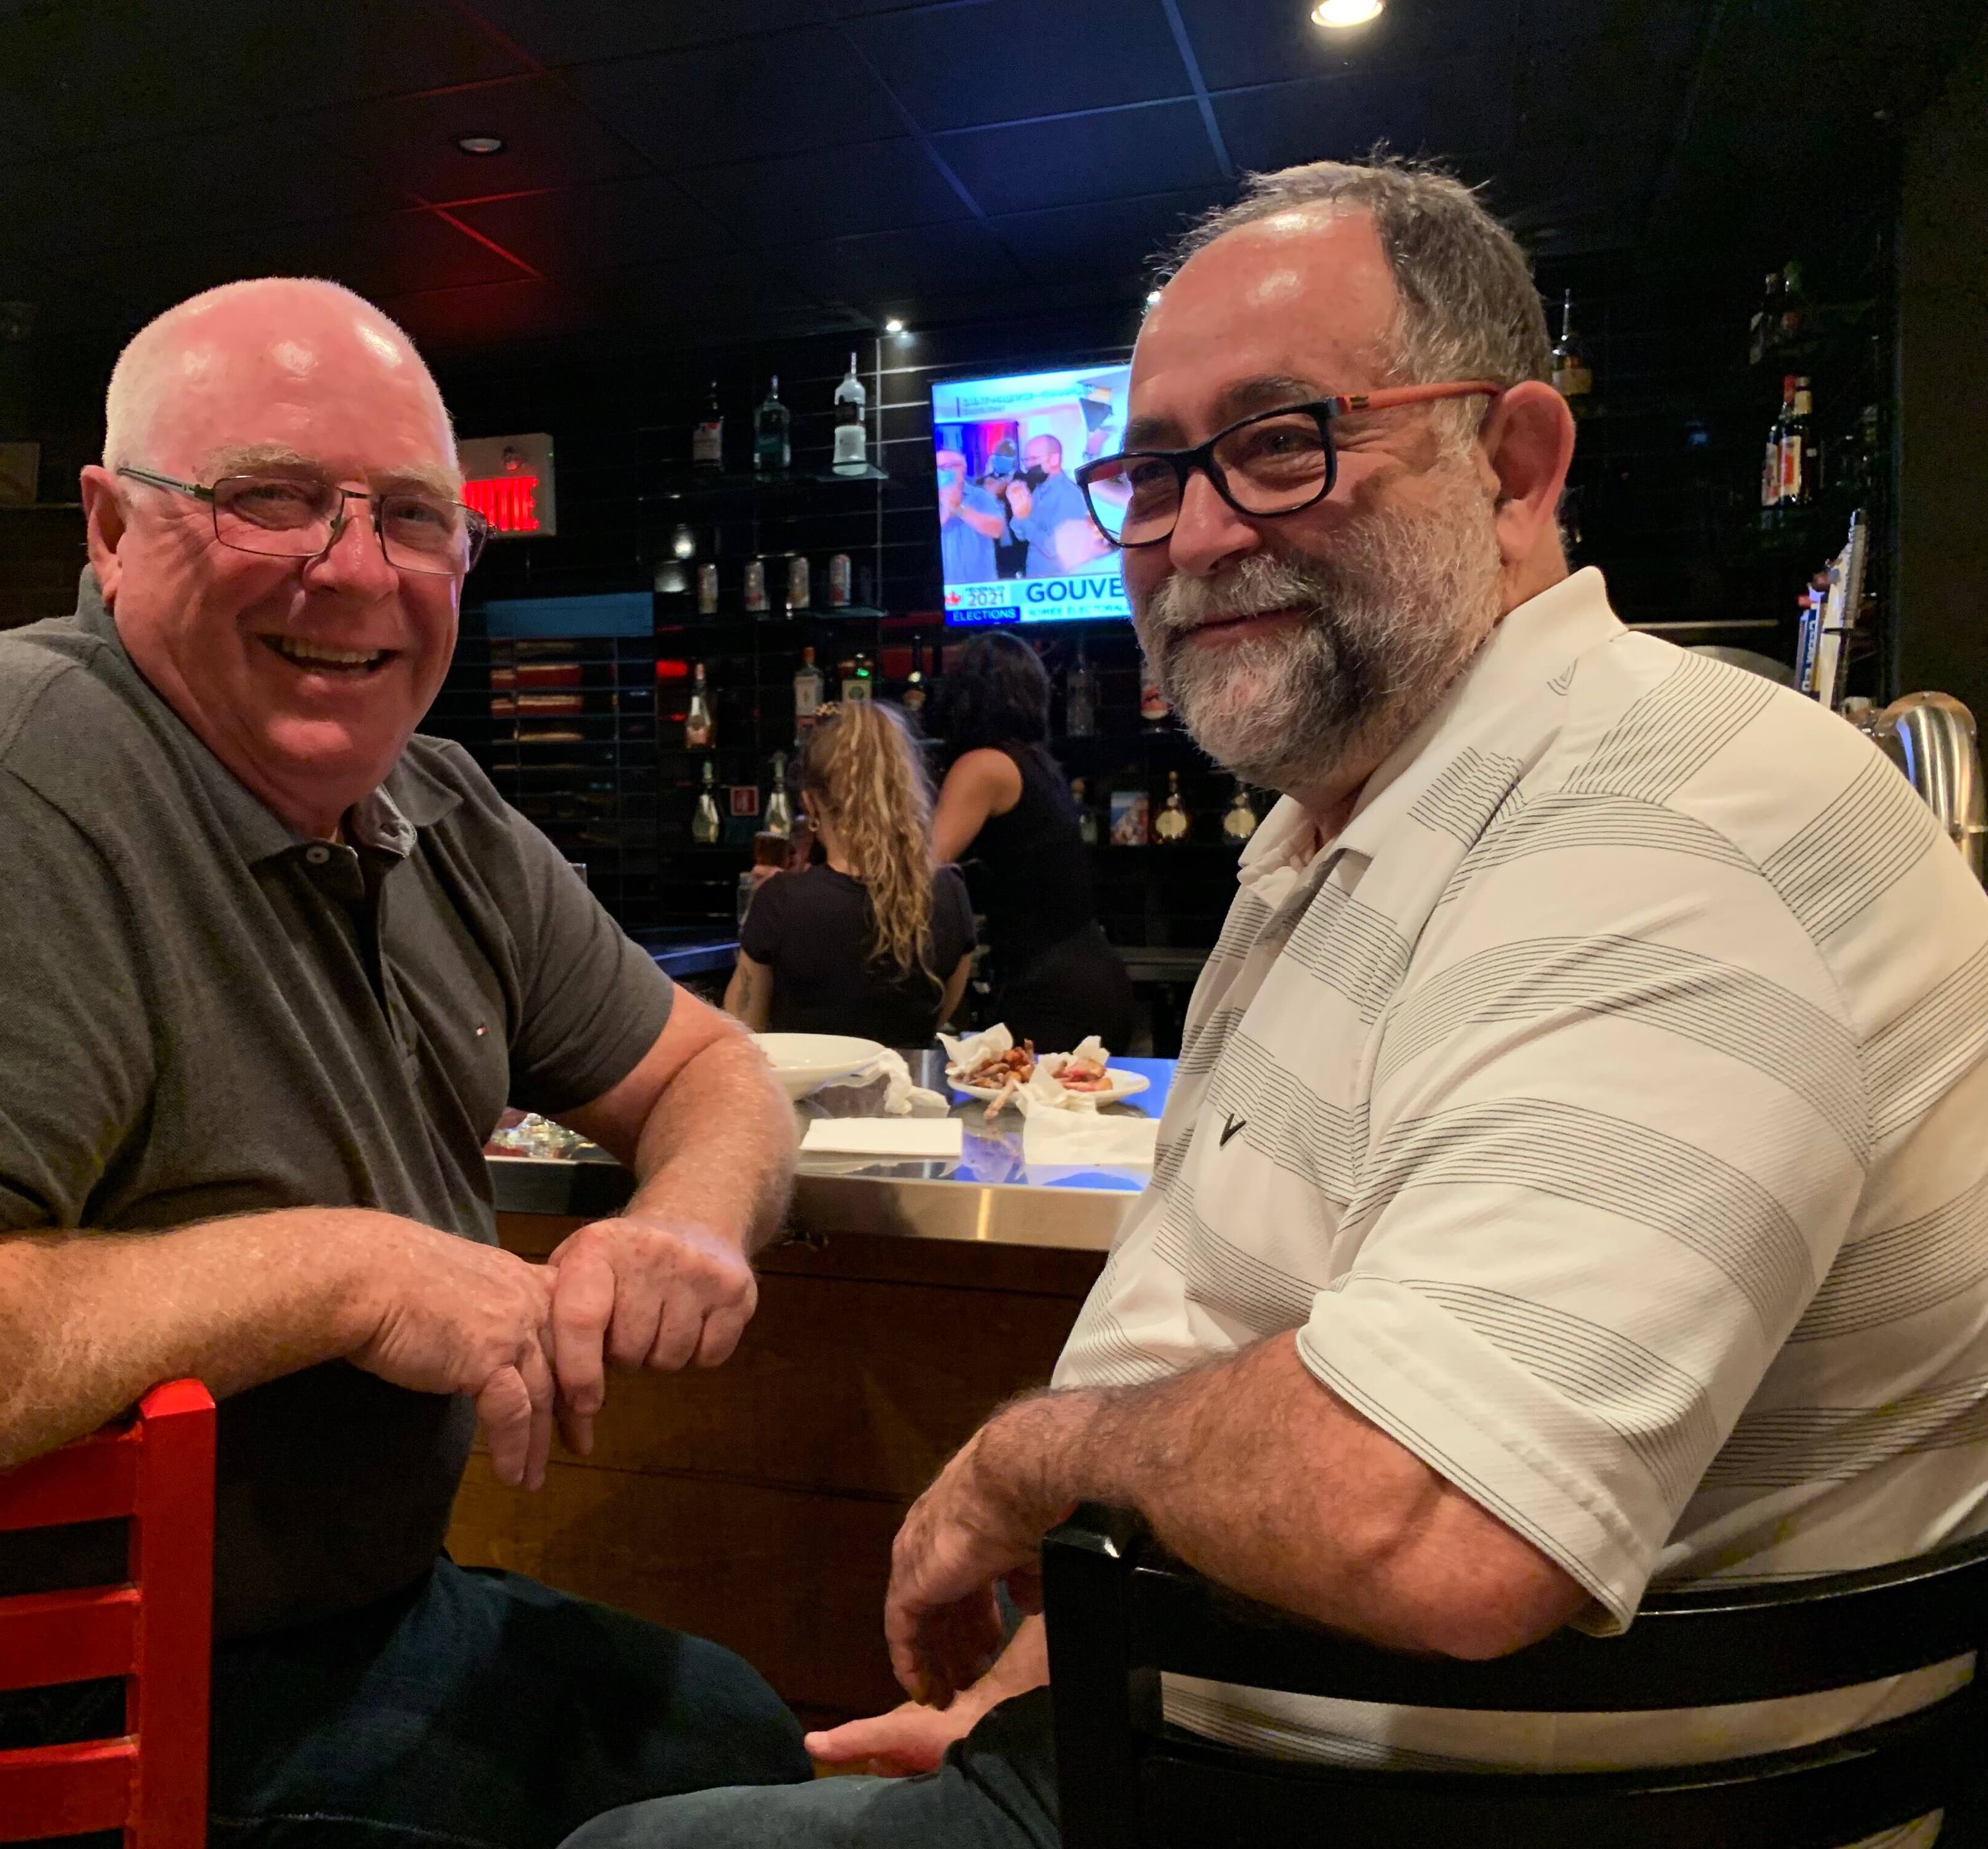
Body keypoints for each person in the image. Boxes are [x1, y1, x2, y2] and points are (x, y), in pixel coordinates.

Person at [563, 156, 1988, 1849]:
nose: (1200, 533)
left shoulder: (1668, 822)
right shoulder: (1357, 823)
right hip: (1199, 1743)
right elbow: (1235, 1336)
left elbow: (1431, 1517)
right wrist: (1043, 1691)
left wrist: (1033, 1462)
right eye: (1155, 474)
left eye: (1283, 440)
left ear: (1517, 466)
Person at [0, 276, 812, 1849]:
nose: (354, 571)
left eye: (414, 517)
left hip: (298, 1642)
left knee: (735, 1733)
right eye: (269, 500)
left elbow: (712, 1071)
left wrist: (684, 1217)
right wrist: (342, 1273)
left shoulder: (438, 809)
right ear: (111, 529)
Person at [931, 631, 1135, 1055]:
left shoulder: (984, 766)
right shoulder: (1037, 763)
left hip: (1051, 985)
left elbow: (923, 865)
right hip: (1089, 973)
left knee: (1019, 1116)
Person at [725, 700, 974, 1047]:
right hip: (911, 1095)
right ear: (904, 790)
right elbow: (940, 1013)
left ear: (810, 803)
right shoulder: (949, 892)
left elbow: (740, 1032)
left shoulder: (779, 900)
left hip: (807, 1100)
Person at [1002, 435, 1097, 577]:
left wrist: (1024, 518)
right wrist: (1018, 509)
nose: (1028, 465)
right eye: (1025, 460)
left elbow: (1054, 549)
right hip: (1036, 579)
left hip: (1058, 583)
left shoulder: (1069, 495)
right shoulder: (1038, 489)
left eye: (1033, 459)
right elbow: (1021, 534)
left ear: (1054, 459)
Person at [938, 446, 1007, 585]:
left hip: (982, 583)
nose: (942, 472)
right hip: (945, 586)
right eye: (938, 467)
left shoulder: (981, 496)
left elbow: (997, 530)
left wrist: (959, 509)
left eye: (947, 467)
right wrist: (946, 511)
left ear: (963, 467)